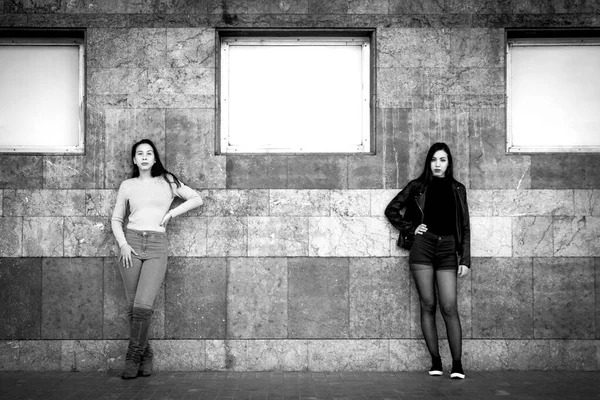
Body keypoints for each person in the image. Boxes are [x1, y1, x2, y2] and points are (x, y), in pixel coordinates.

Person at [111, 139, 203, 379]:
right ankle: (146, 355)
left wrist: (172, 213)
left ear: (154, 158)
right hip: (130, 244)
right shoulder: (127, 185)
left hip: (156, 245)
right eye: (139, 154)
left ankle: (132, 357)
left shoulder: (168, 181)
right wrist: (122, 244)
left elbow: (196, 198)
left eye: (148, 153)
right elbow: (116, 218)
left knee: (143, 306)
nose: (144, 157)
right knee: (134, 308)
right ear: (134, 159)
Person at [385, 142, 470, 379]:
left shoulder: (458, 189)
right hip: (423, 247)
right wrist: (412, 230)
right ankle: (435, 361)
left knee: (449, 306)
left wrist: (465, 259)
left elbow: (464, 226)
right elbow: (392, 210)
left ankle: (457, 364)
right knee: (428, 305)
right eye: (434, 159)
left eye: (442, 160)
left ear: (449, 162)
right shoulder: (417, 186)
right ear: (428, 162)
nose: (438, 164)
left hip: (448, 248)